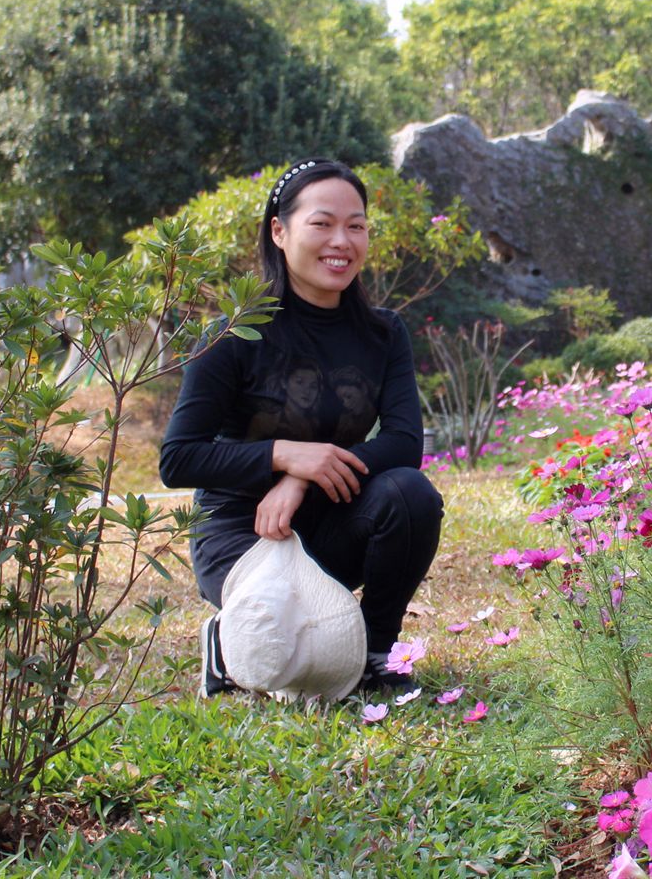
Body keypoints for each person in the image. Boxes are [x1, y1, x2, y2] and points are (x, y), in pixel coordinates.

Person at [159, 158, 443, 696]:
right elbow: (178, 459)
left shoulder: (383, 333)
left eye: (356, 225)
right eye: (322, 223)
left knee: (410, 494)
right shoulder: (233, 335)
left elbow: (405, 444)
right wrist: (282, 455)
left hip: (336, 523)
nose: (342, 240)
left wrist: (304, 472)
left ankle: (376, 652)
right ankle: (225, 644)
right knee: (281, 654)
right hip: (245, 531)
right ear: (280, 231)